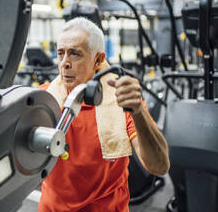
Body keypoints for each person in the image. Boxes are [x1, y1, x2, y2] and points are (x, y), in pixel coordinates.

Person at [38, 17, 170, 212]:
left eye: (74, 54)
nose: (64, 63)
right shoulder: (44, 98)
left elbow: (160, 166)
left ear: (98, 60)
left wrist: (138, 111)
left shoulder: (121, 101)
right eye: (60, 53)